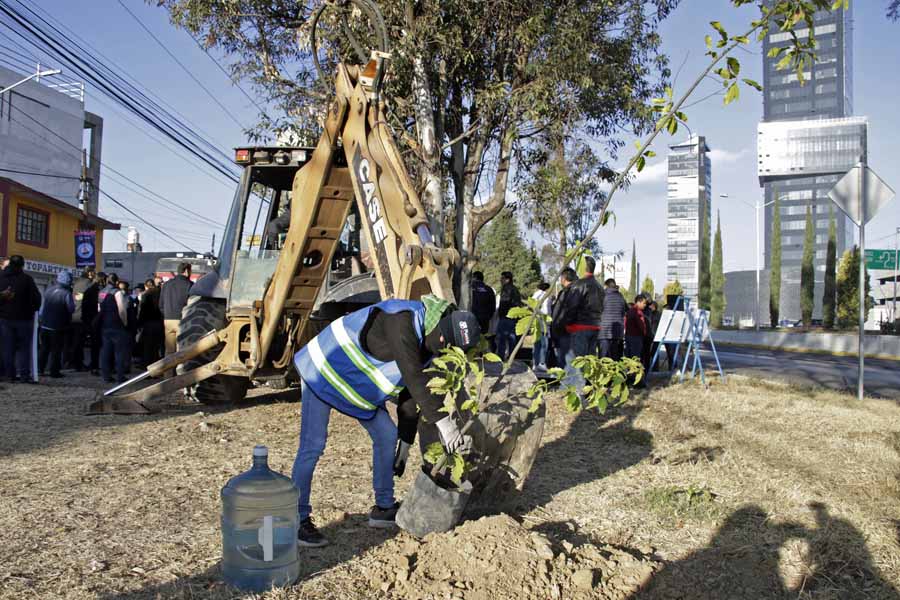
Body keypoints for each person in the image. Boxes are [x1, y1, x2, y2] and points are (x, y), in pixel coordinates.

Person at [291, 295, 482, 547]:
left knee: (386, 435)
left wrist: (404, 443)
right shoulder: (401, 320)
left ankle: (383, 508)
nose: (444, 348)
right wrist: (445, 423)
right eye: (446, 343)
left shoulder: (428, 342)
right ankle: (297, 520)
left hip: (353, 384)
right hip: (322, 370)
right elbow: (414, 377)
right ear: (442, 330)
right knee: (313, 445)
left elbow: (409, 394)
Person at [560, 256, 603, 391]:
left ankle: (577, 391)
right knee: (589, 360)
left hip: (580, 326)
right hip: (595, 326)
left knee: (577, 360)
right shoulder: (600, 287)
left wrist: (567, 323)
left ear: (583, 268)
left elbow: (571, 306)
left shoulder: (579, 285)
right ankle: (586, 388)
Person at [0, 256, 42, 383]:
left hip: (5, 318)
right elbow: (36, 300)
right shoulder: (27, 280)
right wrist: (30, 310)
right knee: (24, 348)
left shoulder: (1, 278)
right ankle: (24, 375)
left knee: (7, 348)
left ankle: (9, 374)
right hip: (24, 319)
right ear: (22, 265)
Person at [38, 271, 75, 379]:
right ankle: (54, 372)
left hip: (45, 325)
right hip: (58, 326)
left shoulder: (49, 290)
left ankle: (40, 369)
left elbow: (42, 308)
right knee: (56, 350)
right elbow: (71, 308)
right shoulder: (66, 293)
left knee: (44, 349)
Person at [158, 262, 193, 373]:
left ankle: (167, 376)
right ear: (187, 271)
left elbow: (161, 304)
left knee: (169, 350)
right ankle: (180, 377)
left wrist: (166, 314)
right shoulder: (190, 285)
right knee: (181, 350)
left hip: (168, 320)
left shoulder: (167, 285)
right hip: (183, 320)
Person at [98, 273, 131, 383]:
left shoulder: (101, 292)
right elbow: (122, 310)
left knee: (105, 351)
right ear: (116, 282)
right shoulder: (117, 292)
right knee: (119, 352)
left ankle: (106, 376)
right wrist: (125, 322)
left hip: (104, 325)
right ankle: (120, 376)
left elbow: (99, 308)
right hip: (116, 325)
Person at [67, 268, 96, 371]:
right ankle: (78, 364)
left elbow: (77, 298)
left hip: (74, 315)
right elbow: (92, 302)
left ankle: (72, 362)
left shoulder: (77, 283)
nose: (94, 274)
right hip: (83, 316)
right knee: (79, 342)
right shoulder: (89, 284)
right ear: (89, 273)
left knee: (74, 341)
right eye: (93, 272)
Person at [550, 268, 578, 369]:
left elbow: (562, 313)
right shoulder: (570, 291)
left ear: (564, 278)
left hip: (565, 332)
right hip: (566, 331)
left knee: (568, 364)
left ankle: (570, 384)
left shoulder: (569, 292)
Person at [495, 271, 522, 360]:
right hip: (514, 317)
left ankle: (501, 357)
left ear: (507, 279)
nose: (500, 280)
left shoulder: (506, 289)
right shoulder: (515, 289)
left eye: (502, 278)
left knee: (502, 338)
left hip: (506, 317)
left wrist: (500, 313)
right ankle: (511, 357)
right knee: (512, 338)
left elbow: (504, 302)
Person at [598, 278, 627, 360]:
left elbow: (598, 311)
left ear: (606, 286)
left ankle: (603, 373)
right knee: (616, 359)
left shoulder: (602, 296)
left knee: (603, 359)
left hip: (604, 332)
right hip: (617, 333)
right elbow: (624, 311)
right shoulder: (621, 297)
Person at [138, 278, 164, 367]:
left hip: (148, 323)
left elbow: (142, 310)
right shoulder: (161, 293)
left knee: (148, 347)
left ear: (146, 286)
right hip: (159, 322)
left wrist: (139, 323)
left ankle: (146, 366)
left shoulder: (146, 295)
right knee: (156, 347)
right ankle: (156, 365)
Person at [530, 282, 552, 371]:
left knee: (538, 344)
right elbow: (546, 310)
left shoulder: (537, 294)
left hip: (539, 322)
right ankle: (541, 363)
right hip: (542, 322)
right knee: (543, 344)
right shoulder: (543, 295)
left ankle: (536, 363)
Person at [469, 271, 496, 341]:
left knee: (472, 338)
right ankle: (482, 351)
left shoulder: (470, 288)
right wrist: (488, 316)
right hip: (485, 319)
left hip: (472, 317)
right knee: (483, 338)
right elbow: (493, 306)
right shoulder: (489, 289)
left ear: (474, 277)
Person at [625, 294, 648, 361]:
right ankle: (634, 371)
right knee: (635, 357)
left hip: (630, 335)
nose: (645, 305)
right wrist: (644, 333)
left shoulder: (631, 311)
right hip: (636, 337)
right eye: (644, 303)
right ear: (638, 302)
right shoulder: (636, 312)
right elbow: (641, 325)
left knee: (630, 356)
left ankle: (630, 370)